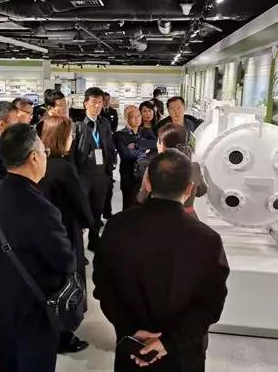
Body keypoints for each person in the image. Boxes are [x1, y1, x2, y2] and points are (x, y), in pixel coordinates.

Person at [94, 149, 230, 372]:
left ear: (148, 183)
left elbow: (104, 286)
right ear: (189, 189)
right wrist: (169, 342)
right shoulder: (208, 240)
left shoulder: (117, 227)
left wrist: (130, 330)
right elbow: (211, 303)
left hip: (133, 348)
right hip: (184, 354)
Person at [0, 123, 76, 372]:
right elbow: (65, 261)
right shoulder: (41, 208)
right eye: (44, 151)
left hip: (3, 305)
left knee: (7, 362)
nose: (45, 156)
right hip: (34, 312)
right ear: (33, 157)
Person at [38, 115, 93, 354]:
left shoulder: (39, 162)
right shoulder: (63, 167)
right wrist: (89, 222)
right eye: (70, 135)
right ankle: (63, 334)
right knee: (68, 282)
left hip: (43, 233)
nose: (72, 138)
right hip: (66, 230)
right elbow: (81, 203)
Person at [72, 87, 116, 252]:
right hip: (83, 175)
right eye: (94, 102)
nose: (97, 106)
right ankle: (78, 247)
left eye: (100, 102)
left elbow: (110, 146)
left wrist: (111, 166)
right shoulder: (77, 125)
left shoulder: (104, 124)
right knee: (80, 211)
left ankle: (94, 239)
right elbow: (73, 153)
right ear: (85, 104)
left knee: (97, 209)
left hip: (101, 175)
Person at [137, 123, 208, 219]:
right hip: (188, 218)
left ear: (162, 144)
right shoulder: (194, 167)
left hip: (159, 218)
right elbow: (202, 191)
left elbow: (141, 198)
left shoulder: (153, 167)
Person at [114, 106, 147, 210]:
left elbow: (154, 148)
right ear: (126, 118)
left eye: (138, 116)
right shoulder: (119, 135)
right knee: (129, 206)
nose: (137, 119)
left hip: (145, 175)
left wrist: (138, 148)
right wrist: (145, 151)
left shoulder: (145, 132)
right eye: (133, 117)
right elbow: (127, 154)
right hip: (129, 175)